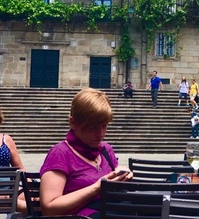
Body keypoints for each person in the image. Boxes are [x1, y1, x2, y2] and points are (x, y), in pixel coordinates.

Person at [40, 88, 133, 218]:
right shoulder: (61, 153)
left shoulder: (106, 150)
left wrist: (122, 176)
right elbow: (49, 209)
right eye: (92, 127)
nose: (100, 134)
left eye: (104, 126)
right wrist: (96, 188)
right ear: (73, 123)